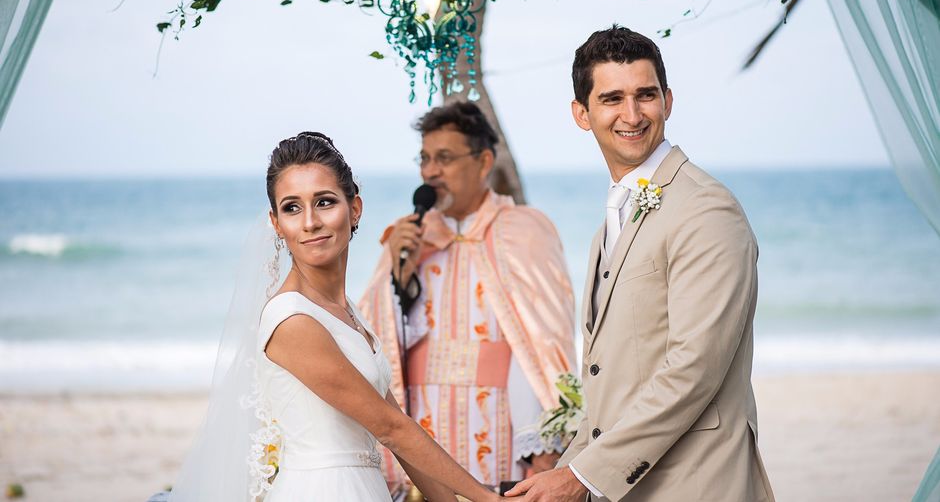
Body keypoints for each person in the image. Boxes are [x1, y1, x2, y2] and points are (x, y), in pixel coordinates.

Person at [507, 26, 775, 501]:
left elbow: (693, 369)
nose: (632, 115)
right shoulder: (611, 222)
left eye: (645, 95)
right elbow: (609, 382)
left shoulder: (706, 209)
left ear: (667, 101)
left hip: (697, 484)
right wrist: (565, 473)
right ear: (582, 114)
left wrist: (581, 477)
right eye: (612, 99)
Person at [168, 132, 506, 502]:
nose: (310, 222)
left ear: (355, 208)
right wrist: (487, 498)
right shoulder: (292, 319)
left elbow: (399, 429)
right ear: (276, 223)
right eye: (292, 208)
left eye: (325, 202)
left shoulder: (345, 312)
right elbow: (390, 429)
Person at [359, 102, 577, 490]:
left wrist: (543, 445)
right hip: (423, 427)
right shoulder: (406, 237)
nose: (430, 171)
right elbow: (372, 340)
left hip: (502, 430)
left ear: (484, 161)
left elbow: (543, 343)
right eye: (424, 158)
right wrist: (397, 280)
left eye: (444, 158)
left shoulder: (524, 231)